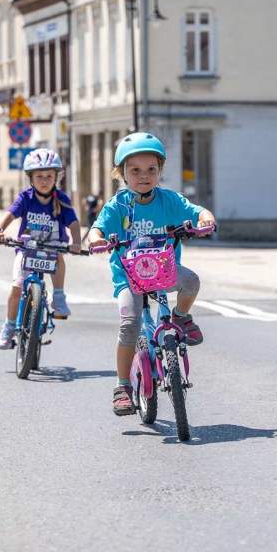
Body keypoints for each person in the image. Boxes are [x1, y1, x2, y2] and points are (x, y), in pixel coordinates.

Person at [88, 132, 216, 415]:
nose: (144, 176)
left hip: (165, 270)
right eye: (135, 170)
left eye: (151, 170)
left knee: (191, 281)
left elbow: (196, 211)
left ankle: (181, 318)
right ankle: (122, 386)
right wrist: (96, 238)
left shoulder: (169, 200)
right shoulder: (118, 206)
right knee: (129, 324)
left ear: (160, 171)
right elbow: (96, 229)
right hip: (130, 277)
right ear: (121, 173)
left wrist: (205, 217)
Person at [0, 148, 81, 350]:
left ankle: (58, 297)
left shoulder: (62, 199)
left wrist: (76, 242)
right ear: (31, 178)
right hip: (26, 248)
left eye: (49, 176)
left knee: (58, 257)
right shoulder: (26, 198)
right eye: (39, 176)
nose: (44, 180)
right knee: (17, 286)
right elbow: (10, 215)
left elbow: (73, 223)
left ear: (56, 177)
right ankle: (9, 327)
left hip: (52, 246)